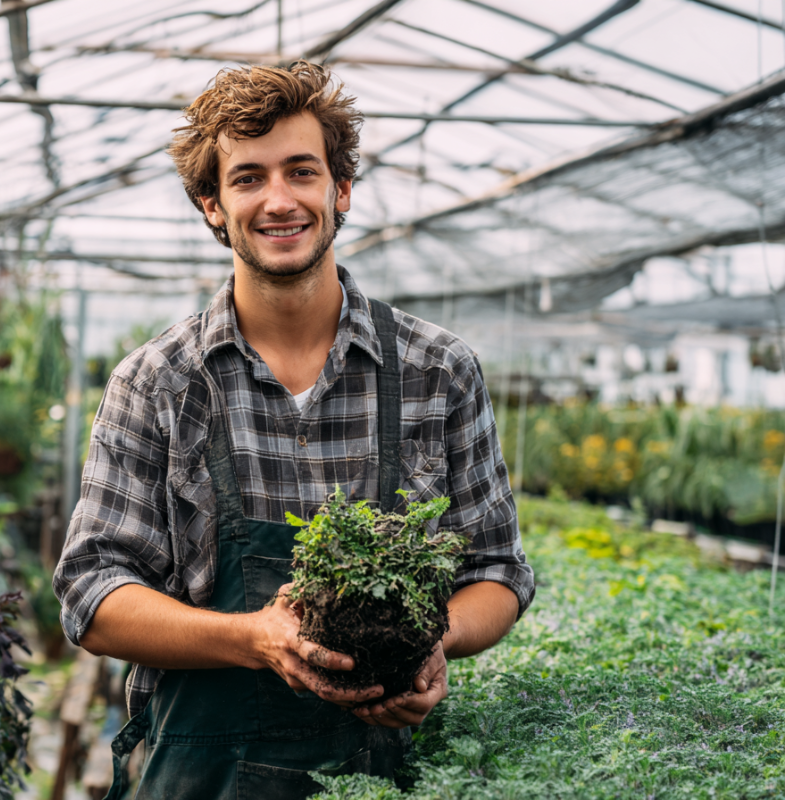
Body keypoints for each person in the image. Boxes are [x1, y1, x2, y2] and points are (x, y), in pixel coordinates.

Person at [53, 61, 535, 800]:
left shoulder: (438, 371)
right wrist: (251, 637)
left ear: (340, 190)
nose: (278, 200)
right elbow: (92, 593)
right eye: (247, 178)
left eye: (301, 172)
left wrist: (435, 642)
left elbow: (495, 571)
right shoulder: (159, 382)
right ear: (212, 205)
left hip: (383, 775)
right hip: (198, 776)